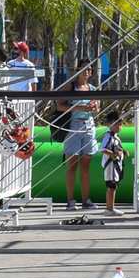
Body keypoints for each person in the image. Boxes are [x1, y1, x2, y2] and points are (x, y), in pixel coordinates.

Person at [59, 74, 100, 212]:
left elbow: (98, 108)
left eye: (89, 69)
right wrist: (80, 108)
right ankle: (70, 200)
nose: (87, 71)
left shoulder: (92, 88)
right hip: (73, 125)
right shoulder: (70, 87)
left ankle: (86, 200)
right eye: (84, 68)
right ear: (78, 70)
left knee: (85, 166)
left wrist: (93, 107)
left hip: (89, 125)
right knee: (72, 165)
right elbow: (60, 106)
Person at [100, 116, 126, 216]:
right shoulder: (108, 136)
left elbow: (117, 148)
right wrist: (113, 154)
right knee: (111, 186)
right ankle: (109, 208)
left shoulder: (116, 137)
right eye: (118, 124)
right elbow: (103, 149)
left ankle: (111, 207)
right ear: (111, 125)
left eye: (121, 125)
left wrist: (123, 152)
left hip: (115, 166)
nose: (120, 127)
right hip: (110, 165)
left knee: (113, 186)